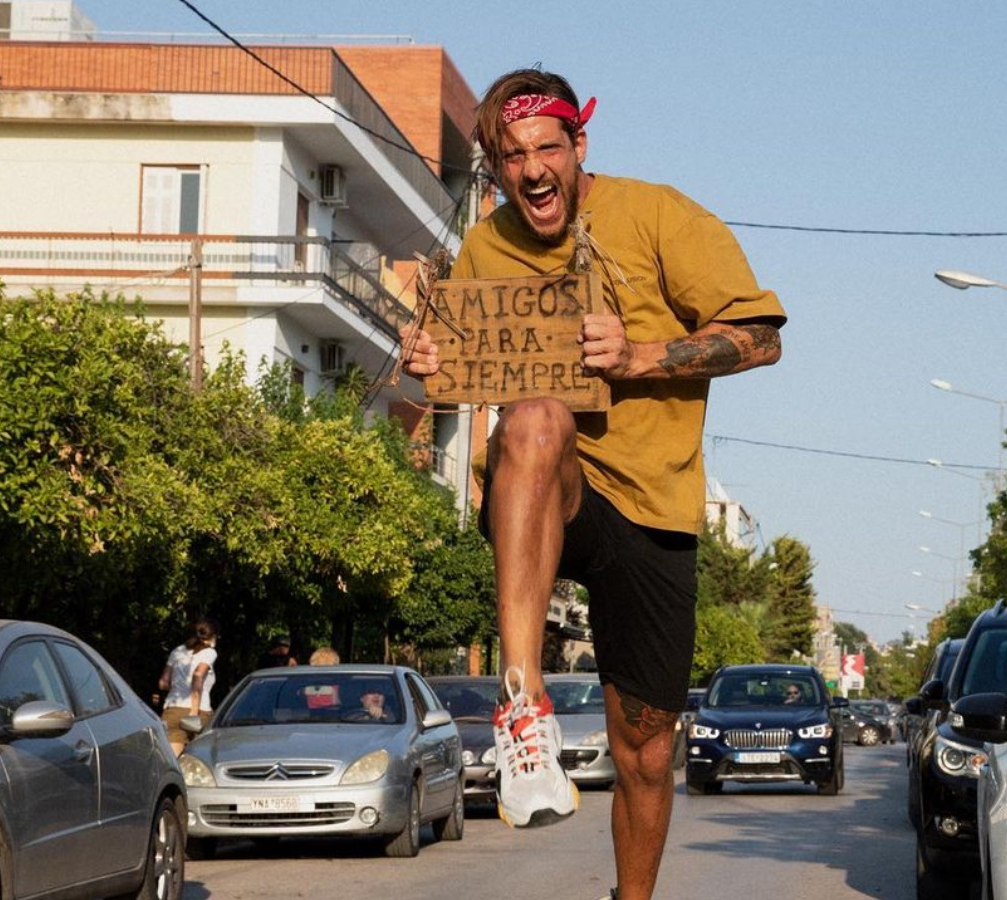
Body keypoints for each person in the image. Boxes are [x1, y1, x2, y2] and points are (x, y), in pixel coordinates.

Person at [401, 68, 784, 900]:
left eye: (547, 148)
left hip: (653, 507)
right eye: (513, 155)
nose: (533, 170)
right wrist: (426, 366)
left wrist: (643, 356)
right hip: (547, 487)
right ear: (496, 168)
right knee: (536, 419)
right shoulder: (484, 245)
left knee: (646, 749)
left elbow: (761, 337)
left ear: (578, 146)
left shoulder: (656, 215)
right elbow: (455, 371)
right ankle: (524, 703)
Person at [158, 618, 220, 756]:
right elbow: (198, 674)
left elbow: (163, 683)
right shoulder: (209, 652)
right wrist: (193, 710)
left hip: (173, 709)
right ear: (212, 637)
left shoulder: (178, 651)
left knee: (173, 762)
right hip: (199, 712)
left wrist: (178, 687)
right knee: (199, 761)